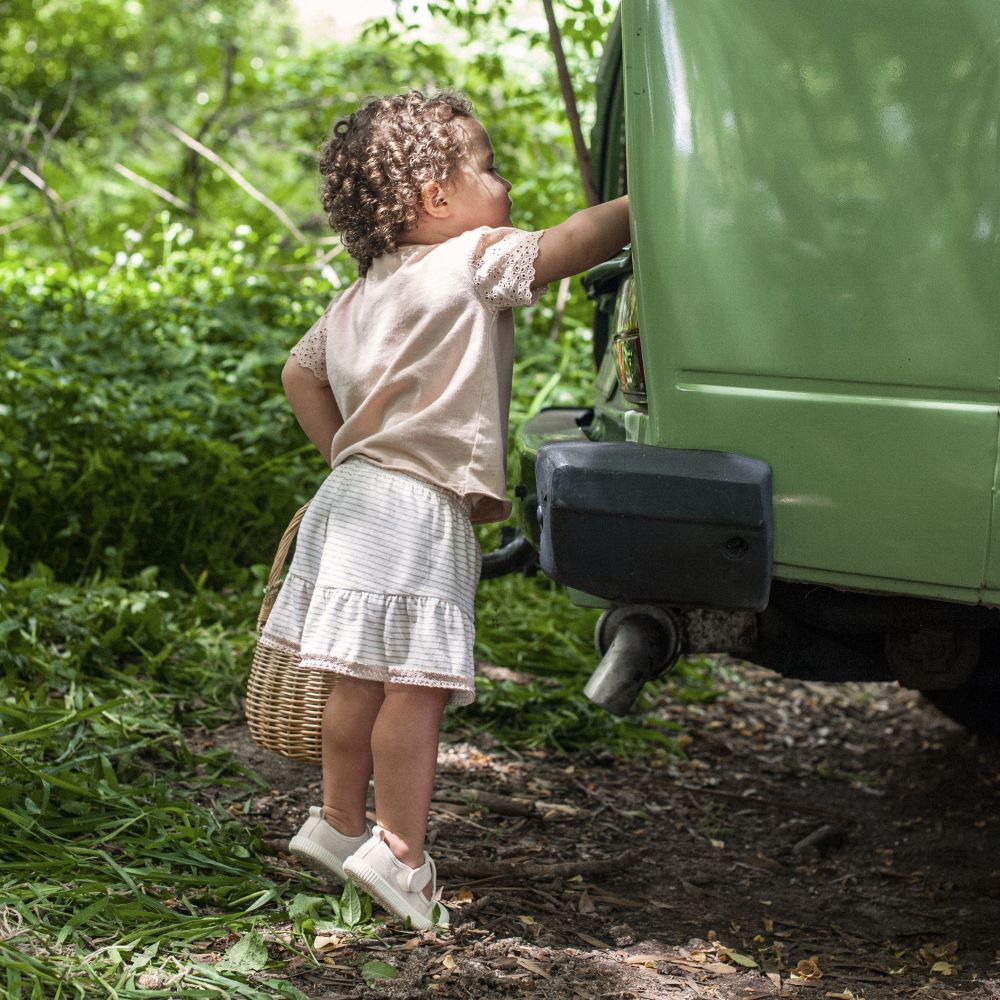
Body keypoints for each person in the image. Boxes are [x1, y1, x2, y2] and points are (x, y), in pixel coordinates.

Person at [257, 90, 629, 930]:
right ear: (437, 198)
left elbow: (298, 374)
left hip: (350, 499)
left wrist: (346, 456)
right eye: (488, 165)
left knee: (354, 677)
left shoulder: (359, 294)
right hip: (420, 506)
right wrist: (647, 205)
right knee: (415, 690)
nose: (500, 181)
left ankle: (337, 820)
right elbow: (567, 246)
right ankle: (399, 853)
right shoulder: (472, 259)